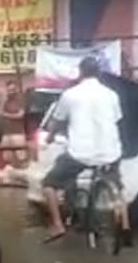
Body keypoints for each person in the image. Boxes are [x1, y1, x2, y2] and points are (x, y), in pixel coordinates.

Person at [41, 56, 124, 242]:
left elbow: (57, 122)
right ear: (99, 72)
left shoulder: (70, 94)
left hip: (81, 153)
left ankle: (57, 225)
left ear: (80, 72)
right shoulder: (111, 94)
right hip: (110, 153)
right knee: (117, 187)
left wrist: (49, 138)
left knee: (48, 184)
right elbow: (117, 120)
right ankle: (124, 227)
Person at [0, 79, 28, 166]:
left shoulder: (20, 99)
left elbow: (20, 115)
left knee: (21, 155)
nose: (11, 92)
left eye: (13, 90)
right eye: (9, 90)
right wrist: (3, 101)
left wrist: (5, 115)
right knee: (7, 156)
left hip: (17, 132)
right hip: (6, 132)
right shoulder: (5, 100)